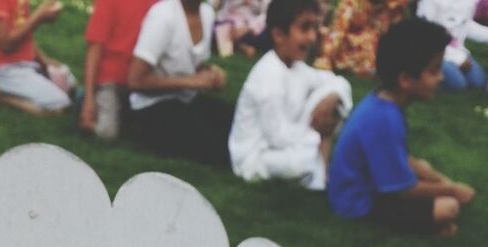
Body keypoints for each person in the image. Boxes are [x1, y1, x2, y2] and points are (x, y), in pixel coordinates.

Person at [327, 18, 476, 235]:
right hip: (357, 203)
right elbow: (402, 190)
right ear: (405, 79)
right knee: (448, 207)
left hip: (368, 187)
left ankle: (431, 219)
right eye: (434, 71)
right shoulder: (384, 118)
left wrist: (442, 181)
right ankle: (428, 226)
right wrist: (452, 189)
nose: (441, 78)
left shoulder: (383, 102)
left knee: (422, 166)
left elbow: (400, 162)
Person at [228, 0, 352, 189]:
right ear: (279, 35)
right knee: (300, 162)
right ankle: (321, 171)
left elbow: (338, 82)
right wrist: (319, 133)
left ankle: (320, 169)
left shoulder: (297, 67)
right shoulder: (269, 76)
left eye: (314, 28)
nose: (312, 37)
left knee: (330, 95)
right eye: (304, 28)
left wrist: (332, 98)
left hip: (291, 141)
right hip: (257, 158)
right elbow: (278, 138)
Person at [126, 0, 235, 167]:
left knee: (235, 122)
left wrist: (212, 74)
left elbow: (194, 64)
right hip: (152, 107)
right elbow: (135, 80)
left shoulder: (207, 14)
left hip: (186, 99)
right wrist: (190, 82)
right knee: (217, 149)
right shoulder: (163, 16)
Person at [0, 0, 72, 112]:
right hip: (6, 70)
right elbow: (5, 45)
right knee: (58, 105)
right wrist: (38, 17)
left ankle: (14, 89)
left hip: (27, 64)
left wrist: (43, 60)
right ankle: (0, 96)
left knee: (69, 86)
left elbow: (23, 32)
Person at [79, 0, 155, 141]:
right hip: (110, 80)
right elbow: (94, 47)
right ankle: (87, 98)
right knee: (107, 134)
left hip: (144, 79)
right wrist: (88, 100)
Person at [315, 0, 409, 78]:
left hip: (376, 48)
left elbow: (397, 31)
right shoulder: (352, 3)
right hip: (350, 46)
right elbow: (338, 30)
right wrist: (326, 57)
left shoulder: (390, 7)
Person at [417, 0, 488, 90]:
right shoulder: (430, 2)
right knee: (458, 84)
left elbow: (465, 25)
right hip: (433, 51)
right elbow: (425, 33)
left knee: (478, 81)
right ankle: (422, 78)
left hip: (458, 50)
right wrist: (458, 59)